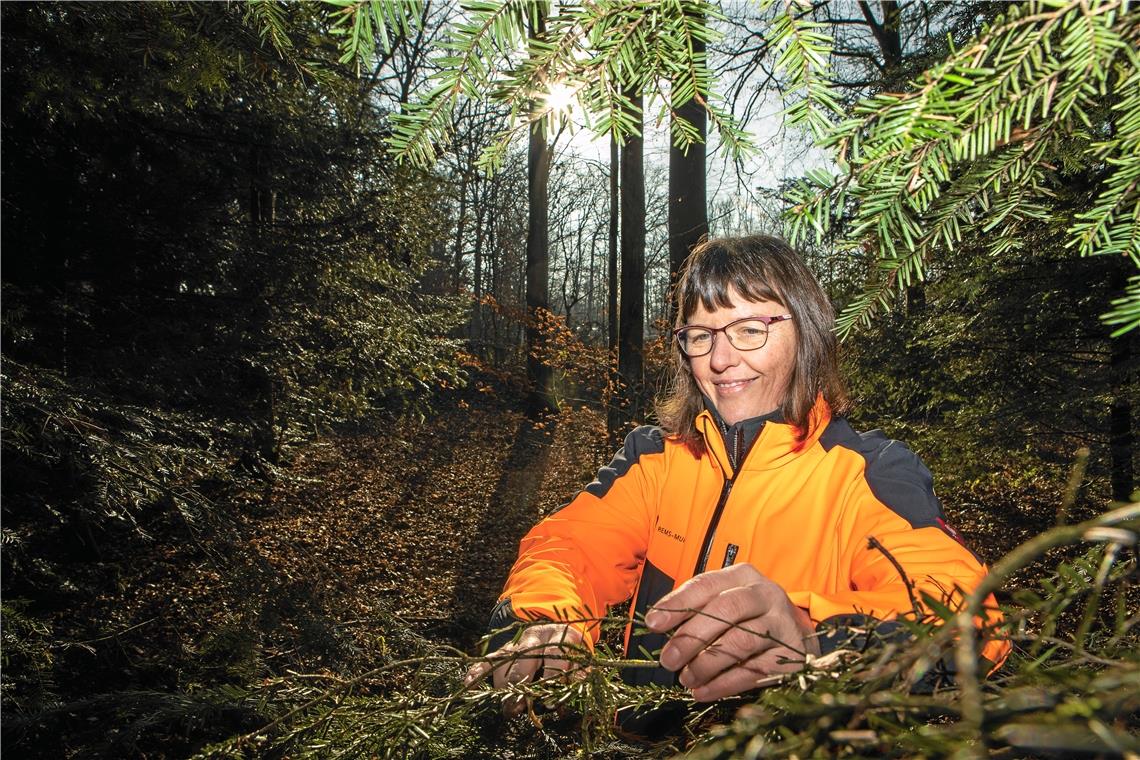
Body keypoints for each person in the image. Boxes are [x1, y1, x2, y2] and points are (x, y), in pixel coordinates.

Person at [465, 235, 1008, 731]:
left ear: (807, 332)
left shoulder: (868, 470)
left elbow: (966, 613)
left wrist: (814, 636)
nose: (722, 360)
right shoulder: (656, 457)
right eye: (700, 336)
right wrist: (545, 621)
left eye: (750, 329)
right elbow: (567, 546)